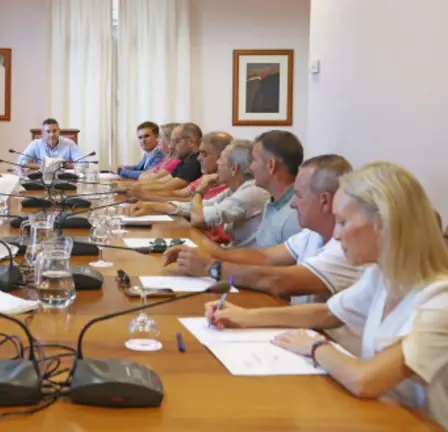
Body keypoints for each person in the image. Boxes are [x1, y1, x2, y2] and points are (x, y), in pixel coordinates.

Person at [205, 162, 448, 429]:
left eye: (343, 223)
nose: (336, 234)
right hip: (378, 416)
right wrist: (245, 317)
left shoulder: (438, 302)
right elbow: (327, 312)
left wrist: (314, 346)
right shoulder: (382, 277)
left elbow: (364, 379)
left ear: (383, 224)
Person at [164, 155, 363, 306]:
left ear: (325, 201)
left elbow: (279, 280)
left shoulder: (345, 245)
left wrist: (210, 267)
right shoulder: (313, 233)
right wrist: (204, 253)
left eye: (299, 196)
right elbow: (265, 256)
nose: (292, 204)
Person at [133, 141, 271, 248]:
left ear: (234, 168)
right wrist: (152, 206)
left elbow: (199, 218)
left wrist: (199, 191)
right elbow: (197, 207)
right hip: (232, 253)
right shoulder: (235, 189)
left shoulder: (251, 192)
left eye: (221, 159)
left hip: (243, 261)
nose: (218, 163)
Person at [125, 123, 203, 195]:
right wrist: (129, 187)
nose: (170, 146)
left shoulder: (194, 163)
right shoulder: (185, 161)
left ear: (191, 141)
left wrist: (128, 188)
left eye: (175, 141)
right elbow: (160, 182)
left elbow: (166, 187)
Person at [15, 118, 83, 170]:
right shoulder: (35, 144)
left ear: (59, 131)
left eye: (54, 131)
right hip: (41, 179)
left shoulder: (69, 144)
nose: (51, 134)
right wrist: (42, 166)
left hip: (64, 180)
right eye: (48, 131)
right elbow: (20, 161)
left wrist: (63, 165)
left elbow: (83, 163)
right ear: (43, 133)